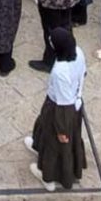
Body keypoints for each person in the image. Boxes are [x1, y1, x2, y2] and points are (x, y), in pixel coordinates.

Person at [25, 27, 86, 190]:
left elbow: (63, 105)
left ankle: (48, 177)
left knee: (55, 143)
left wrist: (62, 130)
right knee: (43, 126)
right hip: (71, 101)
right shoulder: (78, 52)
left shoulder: (60, 71)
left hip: (60, 109)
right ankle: (38, 146)